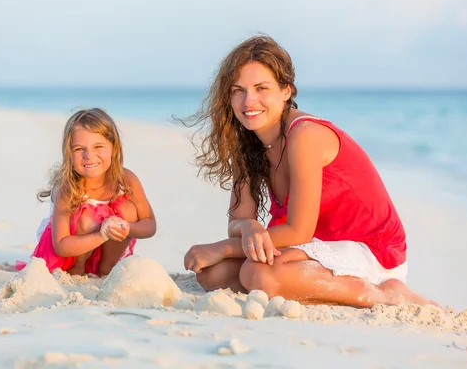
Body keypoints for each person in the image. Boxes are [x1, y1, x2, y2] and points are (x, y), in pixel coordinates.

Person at [182, 35, 438, 308]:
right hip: (309, 249)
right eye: (238, 90)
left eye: (261, 88)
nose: (249, 102)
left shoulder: (304, 135)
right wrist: (250, 227)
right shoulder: (248, 141)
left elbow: (299, 230)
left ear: (286, 91)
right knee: (212, 274)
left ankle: (385, 293)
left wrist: (222, 247)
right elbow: (237, 220)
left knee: (258, 274)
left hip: (368, 248)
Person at [16, 108, 156, 276]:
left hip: (103, 249)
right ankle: (78, 270)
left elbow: (149, 224)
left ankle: (106, 268)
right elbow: (61, 245)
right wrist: (102, 235)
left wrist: (126, 228)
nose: (89, 155)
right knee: (87, 217)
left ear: (114, 148)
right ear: (68, 154)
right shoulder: (66, 188)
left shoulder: (126, 179)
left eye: (98, 146)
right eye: (79, 149)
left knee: (127, 210)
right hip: (68, 253)